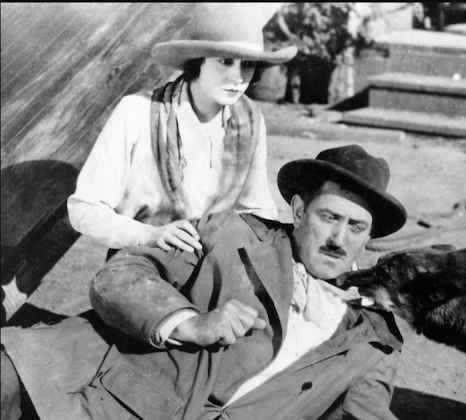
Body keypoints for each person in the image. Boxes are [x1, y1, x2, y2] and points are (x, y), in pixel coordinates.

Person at [1, 144, 408, 420]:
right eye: (330, 217)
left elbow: (366, 413)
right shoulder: (233, 233)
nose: (339, 239)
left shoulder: (373, 338)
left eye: (356, 227)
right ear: (299, 212)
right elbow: (120, 275)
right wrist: (191, 323)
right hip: (100, 395)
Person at [67, 3, 297, 254]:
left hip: (211, 260)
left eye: (248, 64)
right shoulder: (137, 112)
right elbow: (84, 209)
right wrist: (149, 234)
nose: (237, 77)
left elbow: (256, 211)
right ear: (198, 61)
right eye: (225, 61)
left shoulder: (249, 121)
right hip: (142, 257)